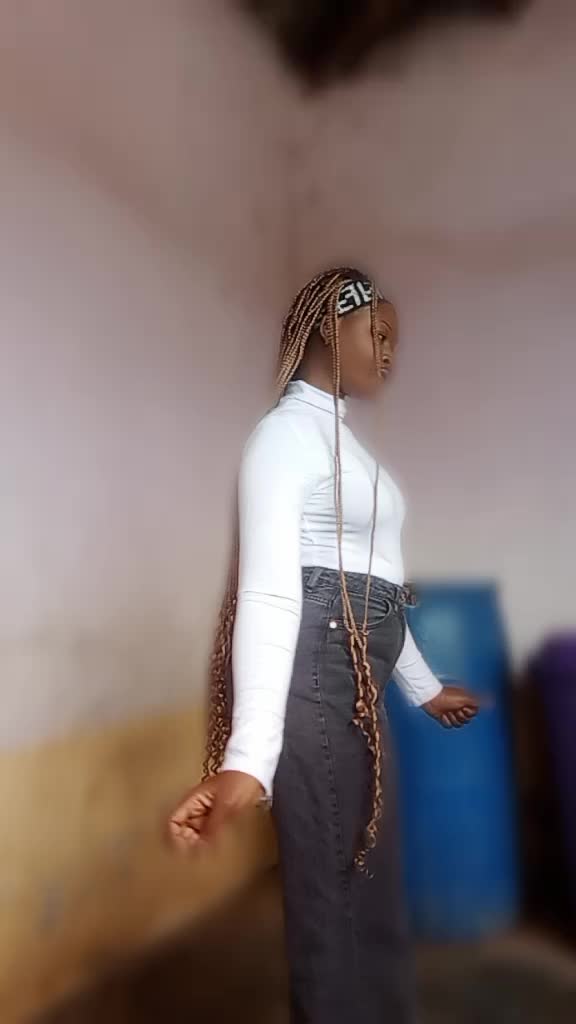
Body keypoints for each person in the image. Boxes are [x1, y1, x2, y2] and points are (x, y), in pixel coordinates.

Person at [169, 267, 479, 1023]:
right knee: (334, 898)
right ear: (325, 328)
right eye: (378, 332)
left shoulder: (344, 445)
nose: (389, 351)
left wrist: (422, 687)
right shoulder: (284, 438)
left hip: (357, 683)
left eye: (394, 339)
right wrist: (249, 757)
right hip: (317, 674)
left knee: (372, 882)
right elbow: (273, 594)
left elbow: (380, 591)